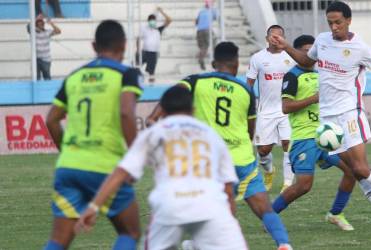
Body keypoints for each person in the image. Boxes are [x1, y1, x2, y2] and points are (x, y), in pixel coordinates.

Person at [271, 1, 371, 235]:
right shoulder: (322, 41)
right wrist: (286, 47)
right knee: (355, 171)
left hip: (350, 114)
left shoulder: (361, 48)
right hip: (328, 122)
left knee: (361, 168)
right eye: (330, 23)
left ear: (349, 21)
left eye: (338, 23)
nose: (334, 27)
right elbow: (305, 61)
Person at [149, 42, 292, 250]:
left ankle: (198, 243)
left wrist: (154, 117)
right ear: (236, 64)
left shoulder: (196, 82)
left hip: (209, 161)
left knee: (215, 211)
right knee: (264, 208)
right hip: (242, 159)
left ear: (214, 62)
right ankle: (284, 244)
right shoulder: (245, 90)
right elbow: (249, 130)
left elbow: (173, 93)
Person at [75, 86, 247, 250]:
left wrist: (93, 207)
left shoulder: (154, 132)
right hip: (210, 204)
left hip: (170, 204)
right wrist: (227, 223)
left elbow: (121, 173)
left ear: (162, 112)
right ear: (193, 111)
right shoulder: (212, 135)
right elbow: (228, 190)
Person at [44, 20, 143, 249]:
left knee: (58, 242)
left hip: (69, 167)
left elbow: (51, 119)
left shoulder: (74, 76)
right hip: (105, 168)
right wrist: (136, 156)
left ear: (93, 46)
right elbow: (126, 112)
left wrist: (67, 151)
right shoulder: (127, 74)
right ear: (124, 45)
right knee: (130, 232)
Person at [271, 35, 356, 231]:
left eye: (313, 50)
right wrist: (314, 98)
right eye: (307, 51)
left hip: (326, 135)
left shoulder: (322, 73)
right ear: (297, 53)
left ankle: (335, 214)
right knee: (303, 185)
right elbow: (286, 107)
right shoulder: (292, 76)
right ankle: (270, 216)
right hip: (304, 138)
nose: (311, 55)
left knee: (352, 170)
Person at [246, 25, 296, 193]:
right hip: (266, 111)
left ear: (284, 38)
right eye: (272, 36)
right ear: (267, 38)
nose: (276, 39)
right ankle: (269, 172)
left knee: (288, 145)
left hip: (287, 109)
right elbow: (249, 85)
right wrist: (247, 106)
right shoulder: (258, 58)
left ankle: (288, 183)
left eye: (279, 36)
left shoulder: (292, 57)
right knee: (263, 150)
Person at [137, 7, 172, 83]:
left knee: (151, 73)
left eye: (153, 20)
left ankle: (151, 86)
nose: (152, 22)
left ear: (155, 21)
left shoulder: (158, 29)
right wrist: (137, 50)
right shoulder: (144, 28)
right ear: (148, 21)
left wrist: (161, 11)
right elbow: (138, 38)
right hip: (144, 52)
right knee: (136, 67)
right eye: (151, 20)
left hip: (153, 53)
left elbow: (169, 20)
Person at [27, 15, 61, 80]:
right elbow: (28, 27)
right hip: (36, 59)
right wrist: (36, 18)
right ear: (36, 25)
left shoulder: (47, 32)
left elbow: (58, 31)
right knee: (36, 78)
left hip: (46, 60)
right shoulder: (33, 33)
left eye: (42, 24)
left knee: (47, 78)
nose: (41, 25)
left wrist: (51, 23)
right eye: (39, 24)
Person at [195, 0, 217, 70]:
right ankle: (214, 57)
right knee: (212, 42)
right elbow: (215, 18)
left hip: (199, 31)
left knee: (202, 46)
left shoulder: (201, 11)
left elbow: (196, 22)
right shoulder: (212, 10)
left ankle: (201, 55)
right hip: (207, 30)